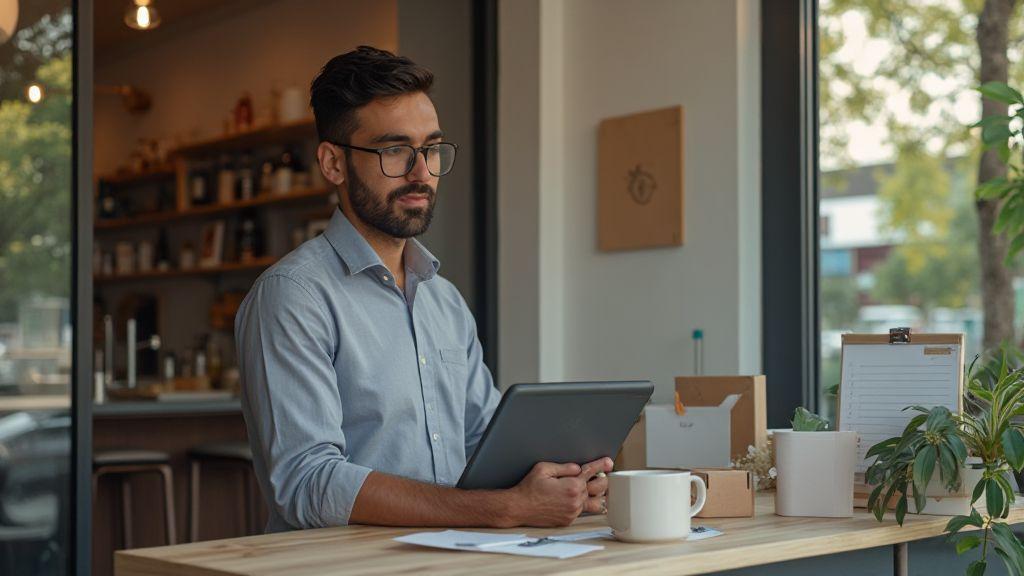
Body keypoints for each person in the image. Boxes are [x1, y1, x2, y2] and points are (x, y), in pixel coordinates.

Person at [235, 46, 612, 532]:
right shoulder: (292, 296)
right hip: (346, 564)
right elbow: (308, 483)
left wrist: (561, 482)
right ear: (333, 163)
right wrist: (505, 509)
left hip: (457, 555)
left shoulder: (444, 300)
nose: (421, 173)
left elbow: (484, 443)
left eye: (431, 149)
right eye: (395, 150)